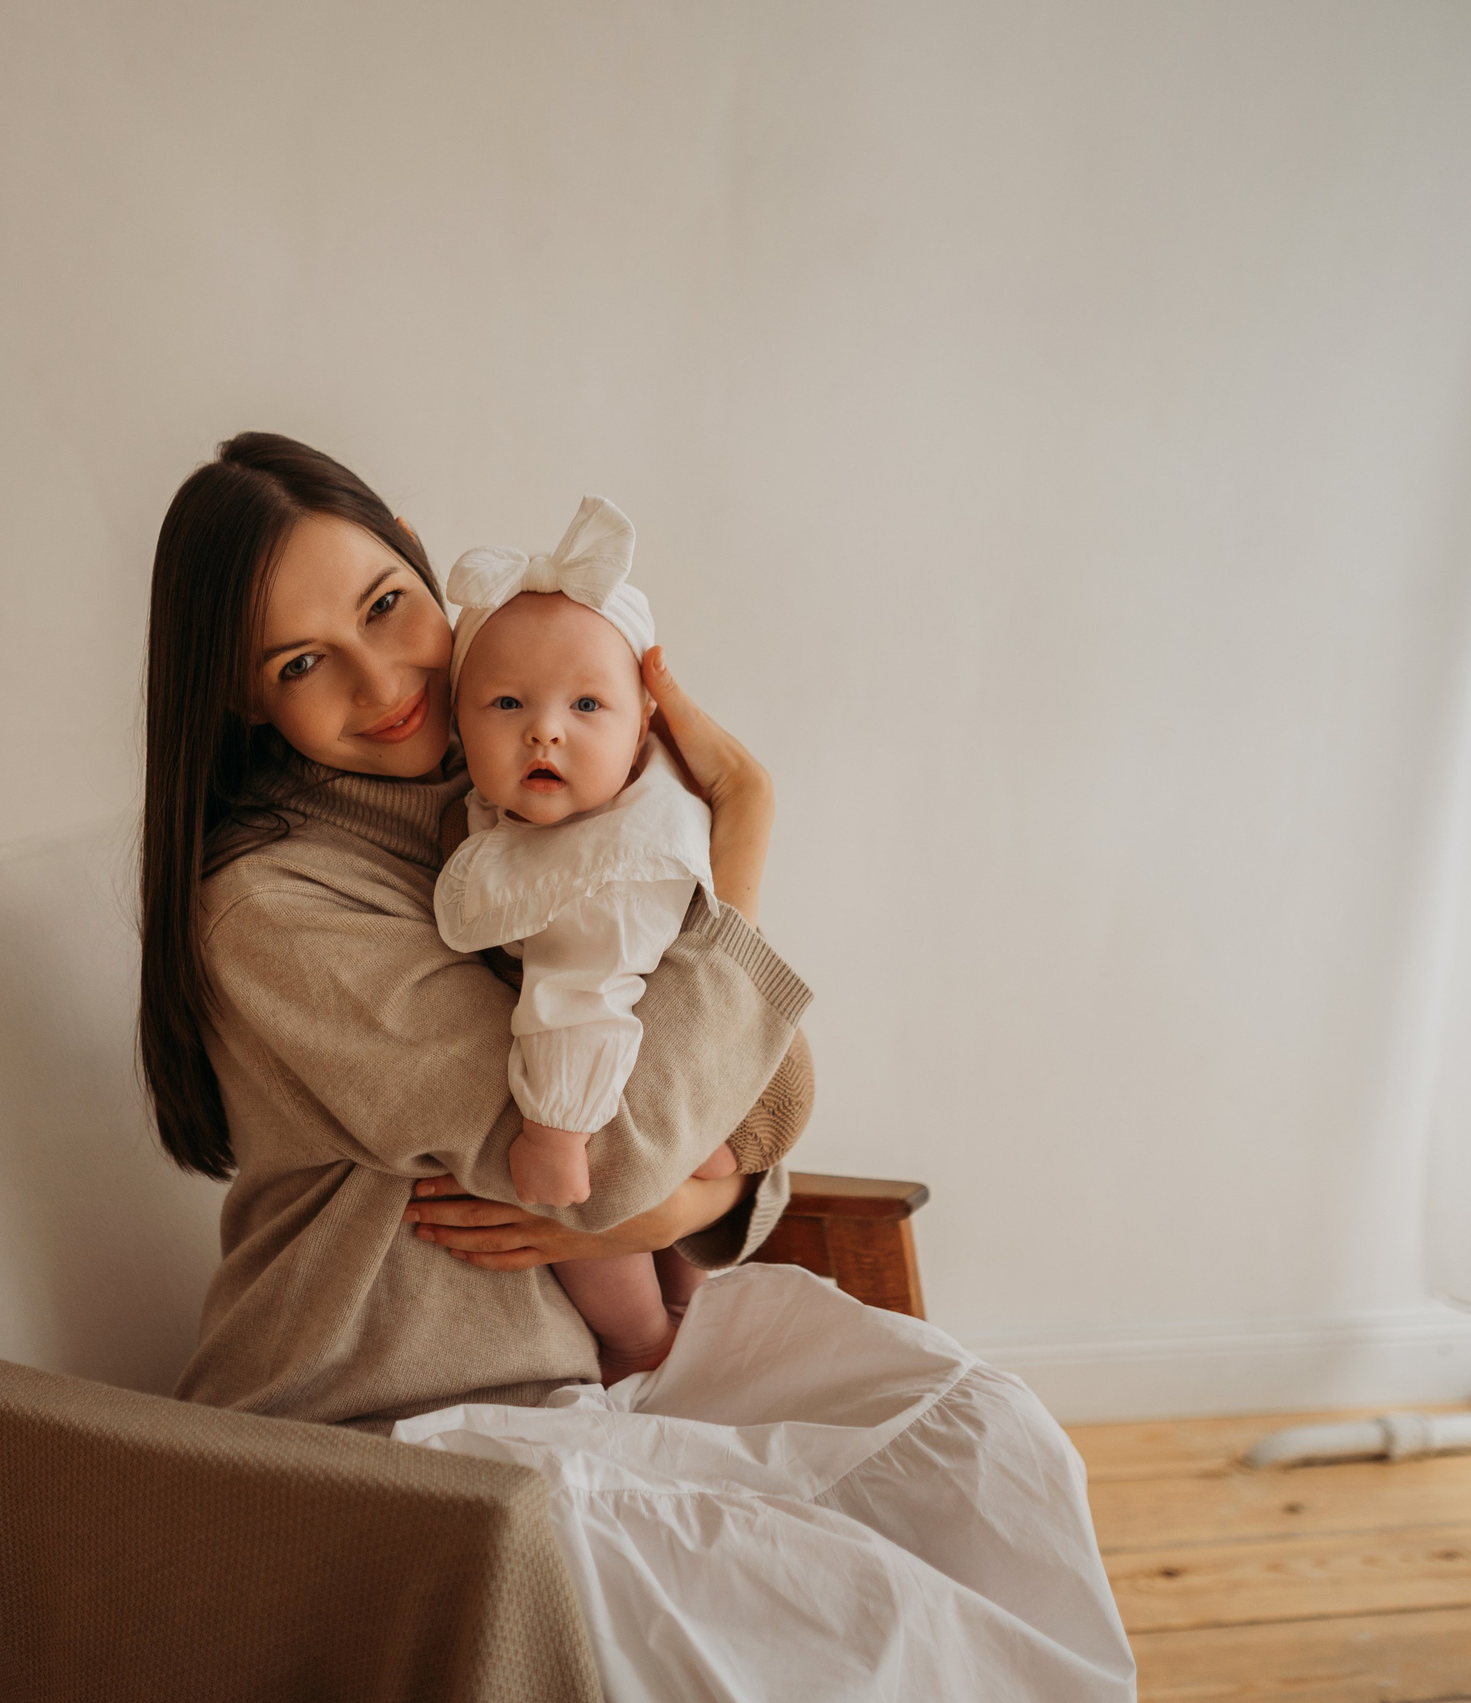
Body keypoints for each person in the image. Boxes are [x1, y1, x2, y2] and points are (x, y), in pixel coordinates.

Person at [142, 433, 1135, 1700]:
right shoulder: (275, 903)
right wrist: (745, 846)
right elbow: (601, 1157)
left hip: (598, 1374)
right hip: (389, 1424)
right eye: (301, 661)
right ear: (241, 700)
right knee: (846, 1615)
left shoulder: (529, 779)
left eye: (388, 605)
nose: (382, 675)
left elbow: (747, 1093)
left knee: (991, 1448)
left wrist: (706, 1198)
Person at [437, 494, 787, 1383]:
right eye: (507, 702)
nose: (544, 728)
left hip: (614, 1073)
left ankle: (640, 1342)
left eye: (587, 703)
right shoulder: (623, 803)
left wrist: (554, 1128)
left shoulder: (602, 871)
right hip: (700, 1071)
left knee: (571, 1198)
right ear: (458, 724)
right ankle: (684, 1298)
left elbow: (576, 997)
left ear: (644, 730)